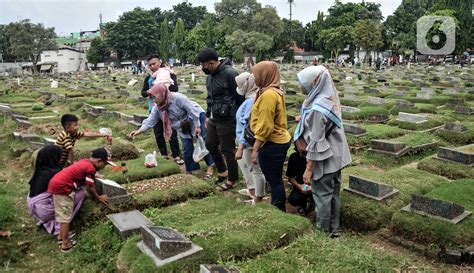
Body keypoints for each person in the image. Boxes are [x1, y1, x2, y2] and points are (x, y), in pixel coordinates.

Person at [295, 65, 352, 238]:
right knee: (333, 194)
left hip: (324, 159)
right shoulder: (328, 97)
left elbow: (316, 141)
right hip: (337, 155)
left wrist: (309, 169)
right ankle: (334, 230)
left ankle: (322, 232)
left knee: (322, 196)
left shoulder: (317, 109)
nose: (301, 87)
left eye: (304, 83)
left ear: (315, 83)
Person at [129, 83, 215, 177]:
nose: (153, 100)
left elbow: (191, 110)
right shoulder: (157, 108)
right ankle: (194, 169)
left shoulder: (177, 98)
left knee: (202, 141)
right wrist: (139, 131)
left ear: (161, 94)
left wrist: (197, 126)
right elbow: (150, 121)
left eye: (154, 97)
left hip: (196, 117)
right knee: (187, 146)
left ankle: (211, 166)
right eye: (151, 97)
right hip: (181, 125)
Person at [48, 148, 113, 252]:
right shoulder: (90, 168)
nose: (104, 167)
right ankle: (65, 244)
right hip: (62, 188)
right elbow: (90, 187)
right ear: (99, 161)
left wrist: (96, 175)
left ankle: (61, 236)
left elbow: (86, 173)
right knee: (65, 216)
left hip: (57, 184)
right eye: (104, 164)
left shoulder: (85, 161)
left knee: (63, 213)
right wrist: (98, 197)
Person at [197, 48, 243, 189]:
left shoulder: (230, 73)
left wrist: (239, 117)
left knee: (227, 149)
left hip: (228, 118)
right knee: (210, 143)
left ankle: (232, 179)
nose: (202, 68)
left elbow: (240, 97)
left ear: (211, 63)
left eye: (204, 65)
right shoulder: (209, 77)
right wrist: (207, 115)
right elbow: (210, 98)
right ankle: (223, 171)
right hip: (214, 118)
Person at [250, 61, 291, 211]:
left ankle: (279, 210)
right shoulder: (272, 90)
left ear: (265, 75)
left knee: (274, 181)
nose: (254, 78)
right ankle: (277, 207)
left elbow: (266, 126)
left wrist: (255, 150)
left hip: (272, 142)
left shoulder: (268, 95)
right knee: (274, 180)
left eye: (256, 75)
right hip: (276, 140)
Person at [27, 145, 85, 236]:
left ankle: (49, 222)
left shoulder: (41, 170)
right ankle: (60, 227)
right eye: (59, 156)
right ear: (53, 157)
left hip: (38, 209)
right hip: (44, 210)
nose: (61, 159)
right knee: (80, 193)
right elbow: (73, 180)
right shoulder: (53, 173)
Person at [141, 54, 184, 165]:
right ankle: (164, 154)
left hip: (168, 108)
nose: (152, 66)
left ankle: (176, 155)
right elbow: (143, 92)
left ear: (160, 62)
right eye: (150, 65)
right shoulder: (149, 78)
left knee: (172, 133)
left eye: (154, 64)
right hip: (154, 108)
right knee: (158, 133)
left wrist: (162, 90)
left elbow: (175, 88)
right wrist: (151, 92)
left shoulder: (169, 74)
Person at [234, 72, 266, 204]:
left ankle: (258, 199)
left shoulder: (251, 101)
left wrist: (240, 146)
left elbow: (247, 125)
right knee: (247, 166)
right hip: (245, 141)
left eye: (240, 85)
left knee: (255, 169)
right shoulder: (252, 98)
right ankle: (253, 191)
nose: (239, 88)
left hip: (248, 142)